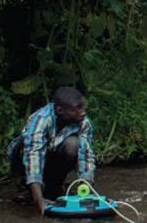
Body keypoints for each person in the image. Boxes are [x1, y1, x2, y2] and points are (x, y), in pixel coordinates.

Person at [8, 87, 95, 215]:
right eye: (77, 109)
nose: (82, 113)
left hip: (54, 159)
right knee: (27, 148)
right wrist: (39, 200)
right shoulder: (42, 119)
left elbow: (86, 156)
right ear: (60, 110)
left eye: (82, 107)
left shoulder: (83, 122)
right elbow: (33, 155)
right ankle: (29, 188)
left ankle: (55, 187)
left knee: (73, 144)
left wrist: (86, 192)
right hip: (24, 157)